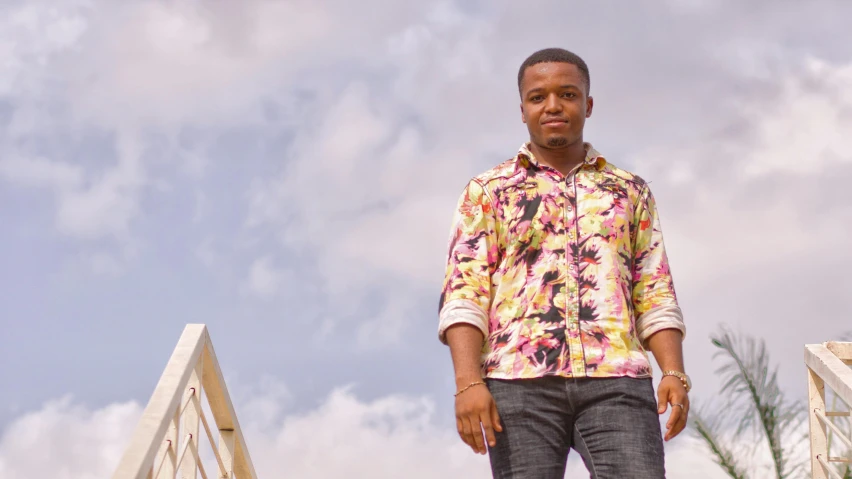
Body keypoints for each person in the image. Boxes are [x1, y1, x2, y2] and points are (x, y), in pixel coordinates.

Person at [437, 47, 690, 478]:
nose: (553, 106)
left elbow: (654, 289)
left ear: (587, 104)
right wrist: (468, 384)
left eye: (567, 94)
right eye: (538, 97)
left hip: (617, 380)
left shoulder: (628, 191)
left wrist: (674, 373)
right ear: (523, 110)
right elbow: (465, 293)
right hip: (518, 383)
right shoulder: (488, 191)